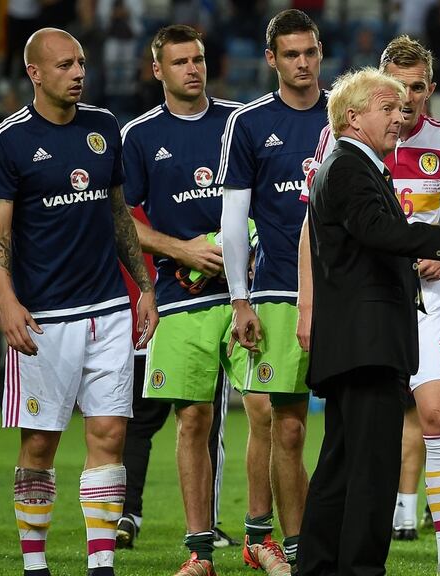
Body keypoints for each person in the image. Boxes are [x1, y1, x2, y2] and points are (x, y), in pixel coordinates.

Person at [296, 66, 440, 576]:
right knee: (372, 467)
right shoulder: (347, 165)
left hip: (356, 342)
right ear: (352, 116)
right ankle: (361, 569)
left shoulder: (350, 164)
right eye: (386, 109)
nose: (398, 116)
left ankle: (318, 566)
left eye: (400, 107)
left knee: (341, 465)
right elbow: (377, 229)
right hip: (368, 342)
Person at [0, 27, 157, 576]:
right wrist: (7, 302)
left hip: (106, 308)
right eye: (64, 65)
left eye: (81, 62)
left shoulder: (105, 128)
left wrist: (144, 287)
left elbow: (117, 213)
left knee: (110, 433)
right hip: (43, 316)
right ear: (34, 72)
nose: (78, 72)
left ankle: (100, 563)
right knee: (41, 442)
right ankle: (35, 565)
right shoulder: (8, 140)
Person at [119, 24, 247, 575]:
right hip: (179, 294)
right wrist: (182, 250)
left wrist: (246, 242)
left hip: (250, 293)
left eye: (197, 59)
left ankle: (268, 538)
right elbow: (117, 218)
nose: (192, 69)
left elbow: (273, 197)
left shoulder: (241, 121)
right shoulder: (140, 136)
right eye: (179, 62)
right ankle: (199, 552)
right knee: (191, 419)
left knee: (270, 413)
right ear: (158, 71)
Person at [218, 9, 328, 572]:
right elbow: (234, 220)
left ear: (320, 52)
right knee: (286, 424)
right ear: (272, 60)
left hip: (346, 295)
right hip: (280, 292)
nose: (303, 63)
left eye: (309, 52)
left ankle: (348, 537)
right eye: (291, 54)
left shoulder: (345, 114)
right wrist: (241, 298)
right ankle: (294, 546)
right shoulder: (250, 124)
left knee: (356, 427)